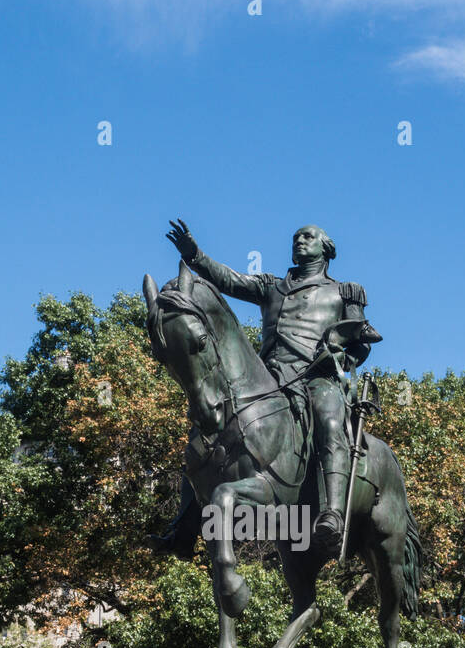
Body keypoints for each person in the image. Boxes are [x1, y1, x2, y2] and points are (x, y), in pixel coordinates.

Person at [154, 219, 382, 558]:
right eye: (296, 237)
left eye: (308, 237)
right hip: (269, 376)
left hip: (316, 376)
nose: (300, 241)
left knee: (329, 420)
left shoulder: (344, 291)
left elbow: (360, 346)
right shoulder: (272, 287)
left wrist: (340, 358)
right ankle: (183, 529)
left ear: (326, 247)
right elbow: (229, 280)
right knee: (207, 431)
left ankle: (331, 513)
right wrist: (195, 255)